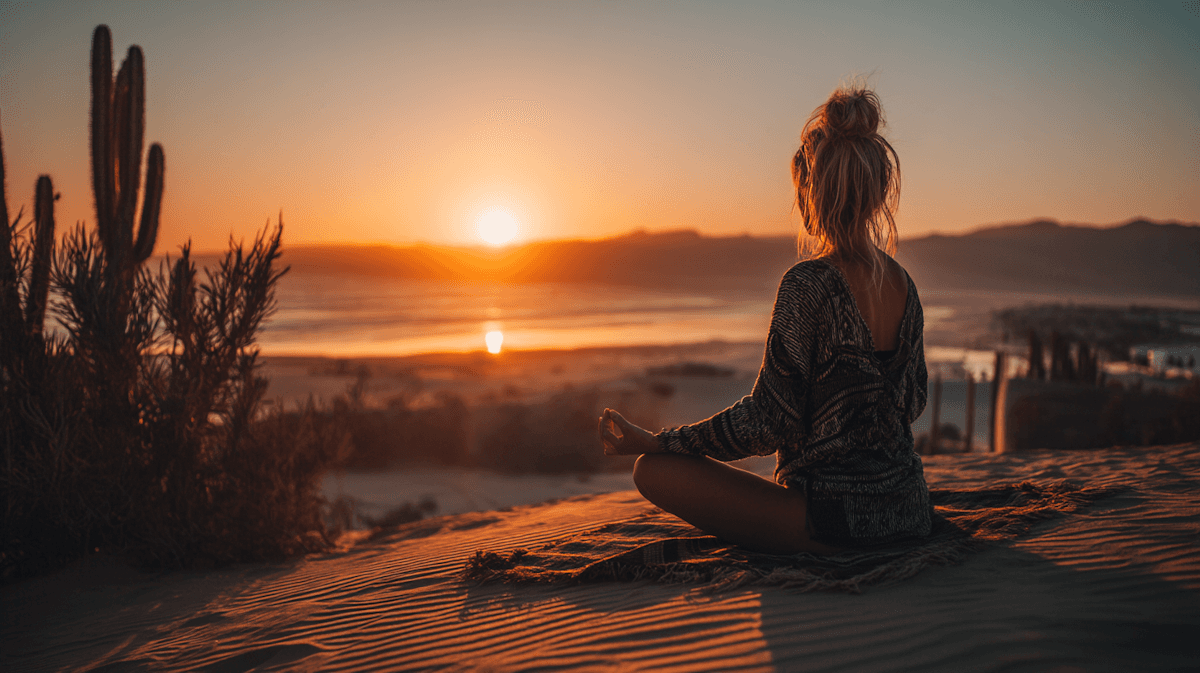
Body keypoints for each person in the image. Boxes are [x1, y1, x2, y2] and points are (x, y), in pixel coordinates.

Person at [597, 86, 931, 555]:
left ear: (811, 194)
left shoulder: (810, 283)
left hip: (832, 521)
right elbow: (912, 403)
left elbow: (768, 422)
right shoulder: (905, 285)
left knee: (651, 471)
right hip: (911, 510)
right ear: (877, 196)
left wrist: (661, 442)